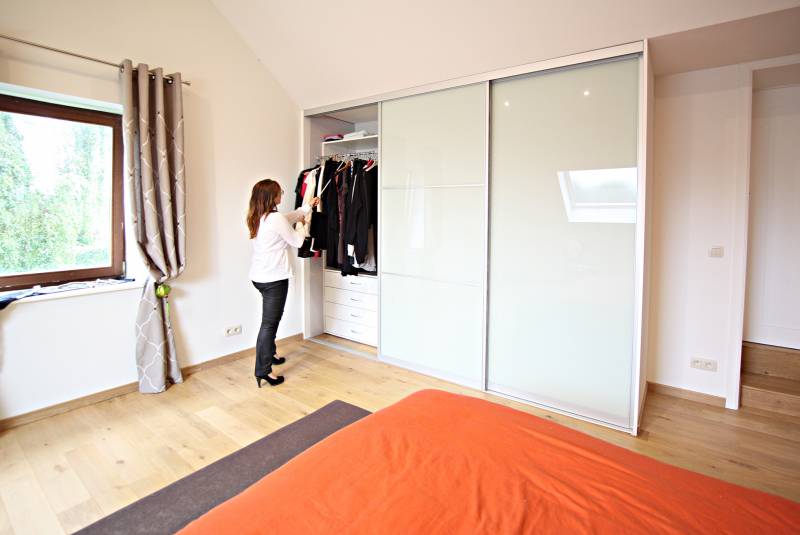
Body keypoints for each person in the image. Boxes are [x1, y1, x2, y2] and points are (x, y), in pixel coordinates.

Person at [246, 178, 319, 388]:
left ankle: (270, 354)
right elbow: (297, 241)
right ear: (272, 196)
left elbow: (288, 217)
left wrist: (306, 208)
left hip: (260, 277)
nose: (282, 195)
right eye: (280, 192)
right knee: (269, 324)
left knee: (271, 321)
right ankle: (263, 371)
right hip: (274, 279)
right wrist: (303, 225)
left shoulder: (259, 216)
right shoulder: (274, 218)